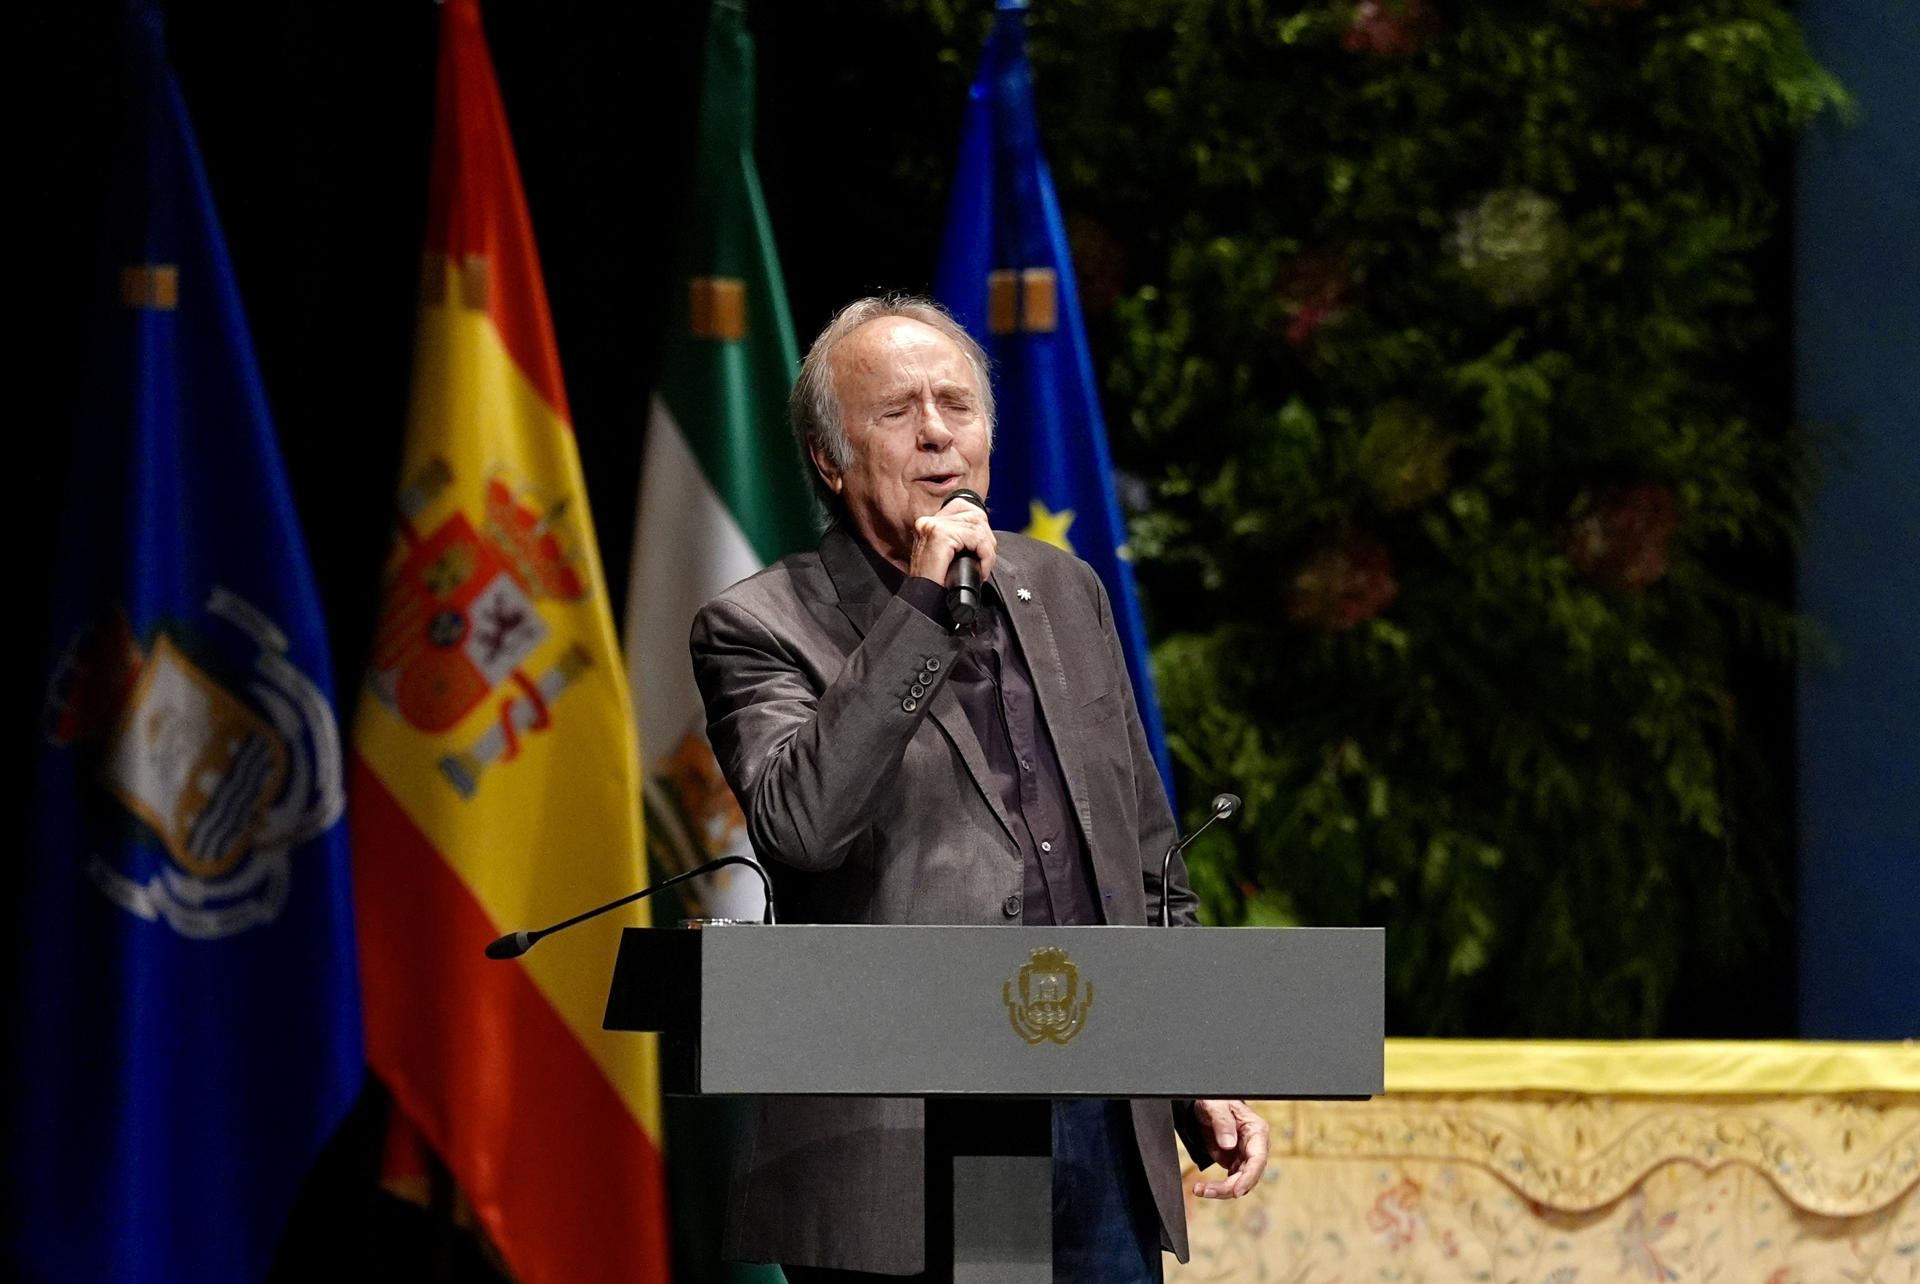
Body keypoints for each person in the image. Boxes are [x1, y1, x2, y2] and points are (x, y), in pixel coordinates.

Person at [690, 296, 1269, 1281]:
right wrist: (922, 610)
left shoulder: (1064, 588)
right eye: (897, 413)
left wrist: (1188, 1061)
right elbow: (802, 828)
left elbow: (1143, 858)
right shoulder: (759, 623)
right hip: (915, 1128)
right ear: (831, 461)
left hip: (1095, 1113)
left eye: (957, 406)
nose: (937, 435)